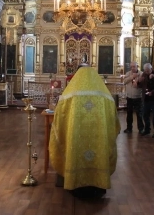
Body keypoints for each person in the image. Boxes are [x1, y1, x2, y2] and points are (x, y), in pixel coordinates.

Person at [49, 66, 120, 197]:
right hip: (99, 138)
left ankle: (75, 184)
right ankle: (98, 185)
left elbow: (59, 115)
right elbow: (114, 118)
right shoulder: (104, 95)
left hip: (76, 137)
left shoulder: (70, 94)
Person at [138, 63, 154, 137]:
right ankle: (147, 129)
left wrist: (152, 92)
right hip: (146, 98)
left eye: (148, 71)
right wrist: (139, 81)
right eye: (145, 71)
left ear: (151, 68)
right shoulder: (144, 74)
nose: (146, 72)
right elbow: (140, 86)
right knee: (145, 114)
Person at [123, 62, 144, 133]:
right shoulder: (128, 73)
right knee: (129, 113)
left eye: (134, 67)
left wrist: (137, 81)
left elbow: (143, 84)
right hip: (129, 97)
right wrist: (131, 77)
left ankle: (141, 129)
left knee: (139, 114)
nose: (132, 68)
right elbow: (124, 81)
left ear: (137, 66)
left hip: (138, 97)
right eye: (131, 67)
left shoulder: (141, 73)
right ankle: (129, 128)